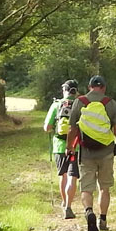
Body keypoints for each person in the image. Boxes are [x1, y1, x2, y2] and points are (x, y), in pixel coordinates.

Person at [65, 74, 116, 231]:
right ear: (104, 88)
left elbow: (72, 129)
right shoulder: (110, 104)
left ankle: (88, 212)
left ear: (89, 87)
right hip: (107, 152)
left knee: (86, 187)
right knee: (104, 187)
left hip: (86, 153)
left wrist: (69, 147)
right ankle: (102, 220)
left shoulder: (80, 102)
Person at [42, 79, 81, 219]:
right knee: (73, 176)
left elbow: (47, 127)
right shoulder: (80, 105)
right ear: (76, 91)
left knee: (63, 175)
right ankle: (69, 206)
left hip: (59, 145)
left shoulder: (56, 105)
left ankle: (64, 203)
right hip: (75, 146)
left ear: (64, 90)